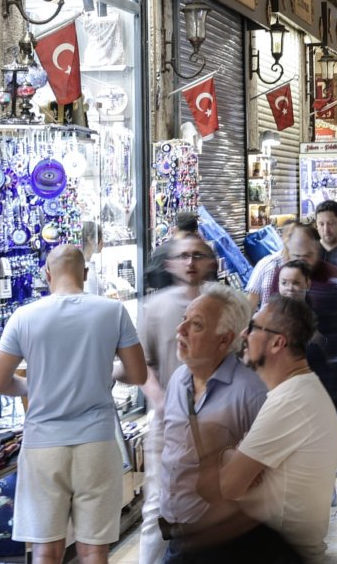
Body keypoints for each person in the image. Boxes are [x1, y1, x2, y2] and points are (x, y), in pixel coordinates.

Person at [0, 245, 148, 564]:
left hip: (42, 444)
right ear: (85, 274)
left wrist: (32, 385)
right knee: (93, 549)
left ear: (47, 274)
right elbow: (138, 373)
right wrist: (107, 371)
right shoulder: (112, 312)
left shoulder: (25, 317)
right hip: (97, 443)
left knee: (46, 548)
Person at [218, 296, 337, 564]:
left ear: (277, 342)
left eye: (252, 327)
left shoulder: (291, 401)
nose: (243, 334)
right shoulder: (296, 391)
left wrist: (228, 453)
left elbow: (228, 485)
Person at [157, 285, 269, 563]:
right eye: (184, 319)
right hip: (178, 539)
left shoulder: (251, 393)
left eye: (196, 325)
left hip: (225, 546)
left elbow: (270, 478)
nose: (180, 330)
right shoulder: (178, 380)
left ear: (224, 340)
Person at [134, 233, 218, 564]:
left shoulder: (225, 303)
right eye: (184, 256)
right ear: (170, 263)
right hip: (169, 424)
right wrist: (160, 400)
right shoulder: (154, 309)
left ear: (210, 262)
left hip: (218, 420)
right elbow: (141, 365)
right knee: (158, 504)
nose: (190, 263)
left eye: (198, 256)